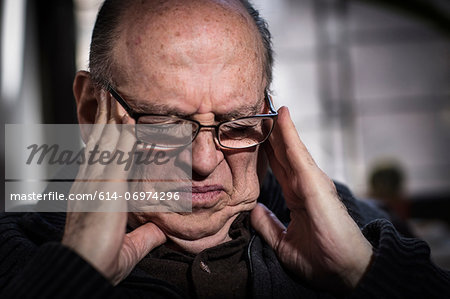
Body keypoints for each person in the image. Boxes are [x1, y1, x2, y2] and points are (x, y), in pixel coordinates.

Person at [0, 0, 449, 298]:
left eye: (236, 122)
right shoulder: (15, 253)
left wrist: (363, 273)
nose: (203, 161)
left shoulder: (348, 225)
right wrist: (73, 275)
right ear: (90, 107)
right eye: (165, 122)